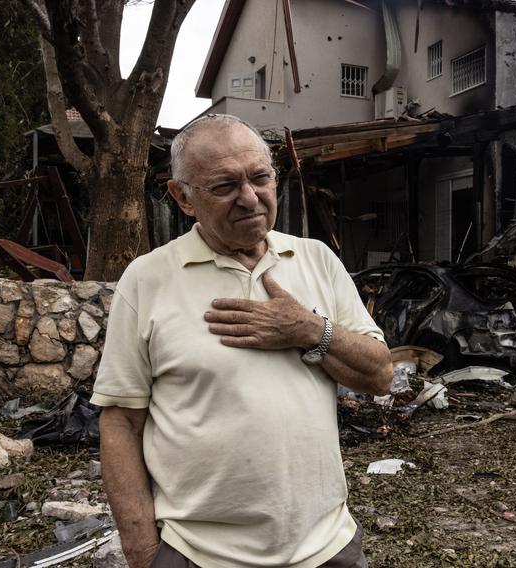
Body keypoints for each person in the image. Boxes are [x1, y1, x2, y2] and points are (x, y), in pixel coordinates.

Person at [91, 114, 393, 568]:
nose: (249, 198)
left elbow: (380, 375)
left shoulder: (316, 259)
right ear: (183, 198)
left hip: (327, 545)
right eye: (225, 186)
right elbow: (120, 422)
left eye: (260, 178)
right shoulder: (148, 278)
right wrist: (142, 550)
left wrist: (309, 330)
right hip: (198, 552)